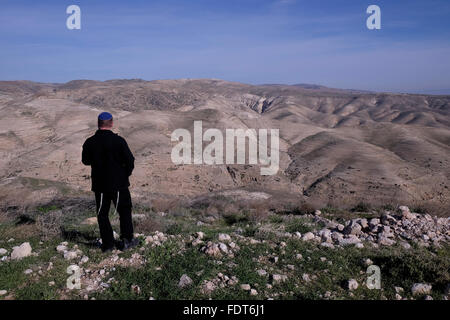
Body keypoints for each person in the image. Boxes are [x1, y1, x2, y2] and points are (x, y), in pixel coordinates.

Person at [82, 112, 138, 252]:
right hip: (119, 184)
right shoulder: (119, 141)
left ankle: (108, 245)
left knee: (102, 214)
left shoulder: (90, 142)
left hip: (99, 185)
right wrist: (125, 175)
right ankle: (127, 240)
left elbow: (85, 161)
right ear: (111, 123)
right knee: (124, 211)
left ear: (98, 123)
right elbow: (130, 161)